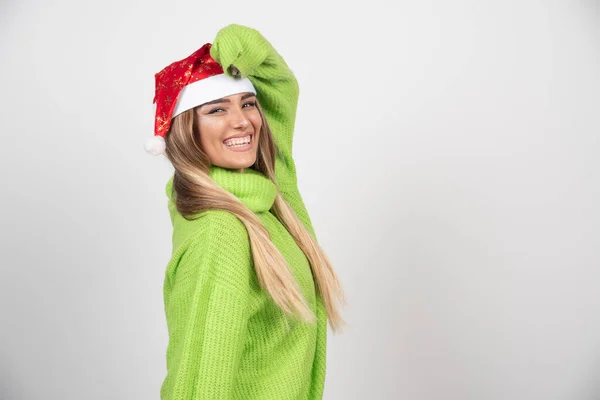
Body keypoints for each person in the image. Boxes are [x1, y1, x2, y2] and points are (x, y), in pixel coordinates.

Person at [145, 24, 347, 399]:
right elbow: (199, 380)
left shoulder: (269, 196)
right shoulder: (222, 233)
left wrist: (246, 45)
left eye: (247, 104)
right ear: (187, 129)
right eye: (217, 109)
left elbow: (281, 90)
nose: (242, 121)